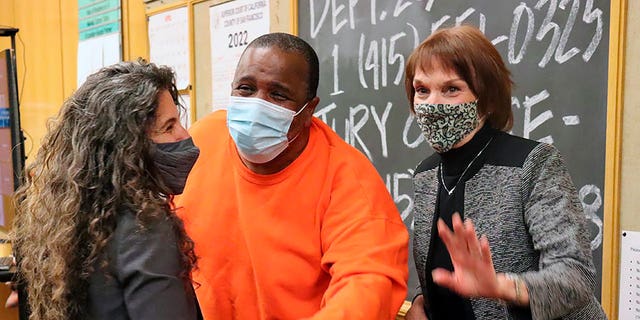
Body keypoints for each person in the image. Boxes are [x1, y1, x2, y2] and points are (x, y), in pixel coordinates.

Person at [175, 32, 409, 319]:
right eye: (246, 89)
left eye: (278, 95)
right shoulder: (201, 141)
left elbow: (369, 284)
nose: (258, 104)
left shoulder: (346, 179)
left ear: (309, 109)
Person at [403, 25, 607, 320]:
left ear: (486, 98)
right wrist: (421, 301)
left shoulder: (534, 164)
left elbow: (576, 278)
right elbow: (443, 271)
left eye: (451, 89)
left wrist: (502, 286)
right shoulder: (425, 175)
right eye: (422, 90)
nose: (433, 104)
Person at [12, 60, 202, 320]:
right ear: (128, 146)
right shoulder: (145, 229)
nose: (184, 135)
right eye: (169, 126)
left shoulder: (68, 219)